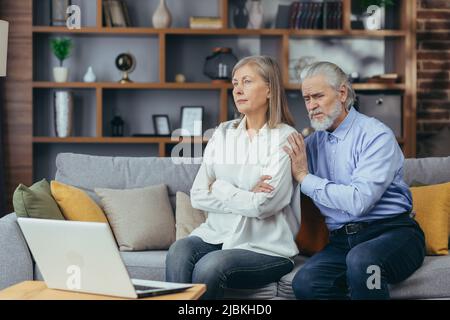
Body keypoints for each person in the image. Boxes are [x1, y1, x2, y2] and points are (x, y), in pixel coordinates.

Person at [282, 61, 426, 299]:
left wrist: (304, 177)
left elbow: (359, 201)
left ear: (342, 93)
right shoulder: (311, 145)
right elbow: (276, 169)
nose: (311, 106)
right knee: (306, 283)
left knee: (363, 263)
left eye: (318, 96)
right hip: (341, 241)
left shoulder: (376, 135)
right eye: (307, 99)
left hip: (393, 234)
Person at [165, 56, 301, 299]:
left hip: (266, 247)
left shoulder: (285, 138)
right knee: (179, 250)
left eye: (247, 81)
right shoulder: (222, 133)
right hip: (216, 235)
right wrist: (247, 194)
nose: (237, 89)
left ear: (269, 89)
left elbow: (264, 205)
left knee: (210, 266)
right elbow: (198, 196)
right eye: (235, 83)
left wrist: (219, 187)